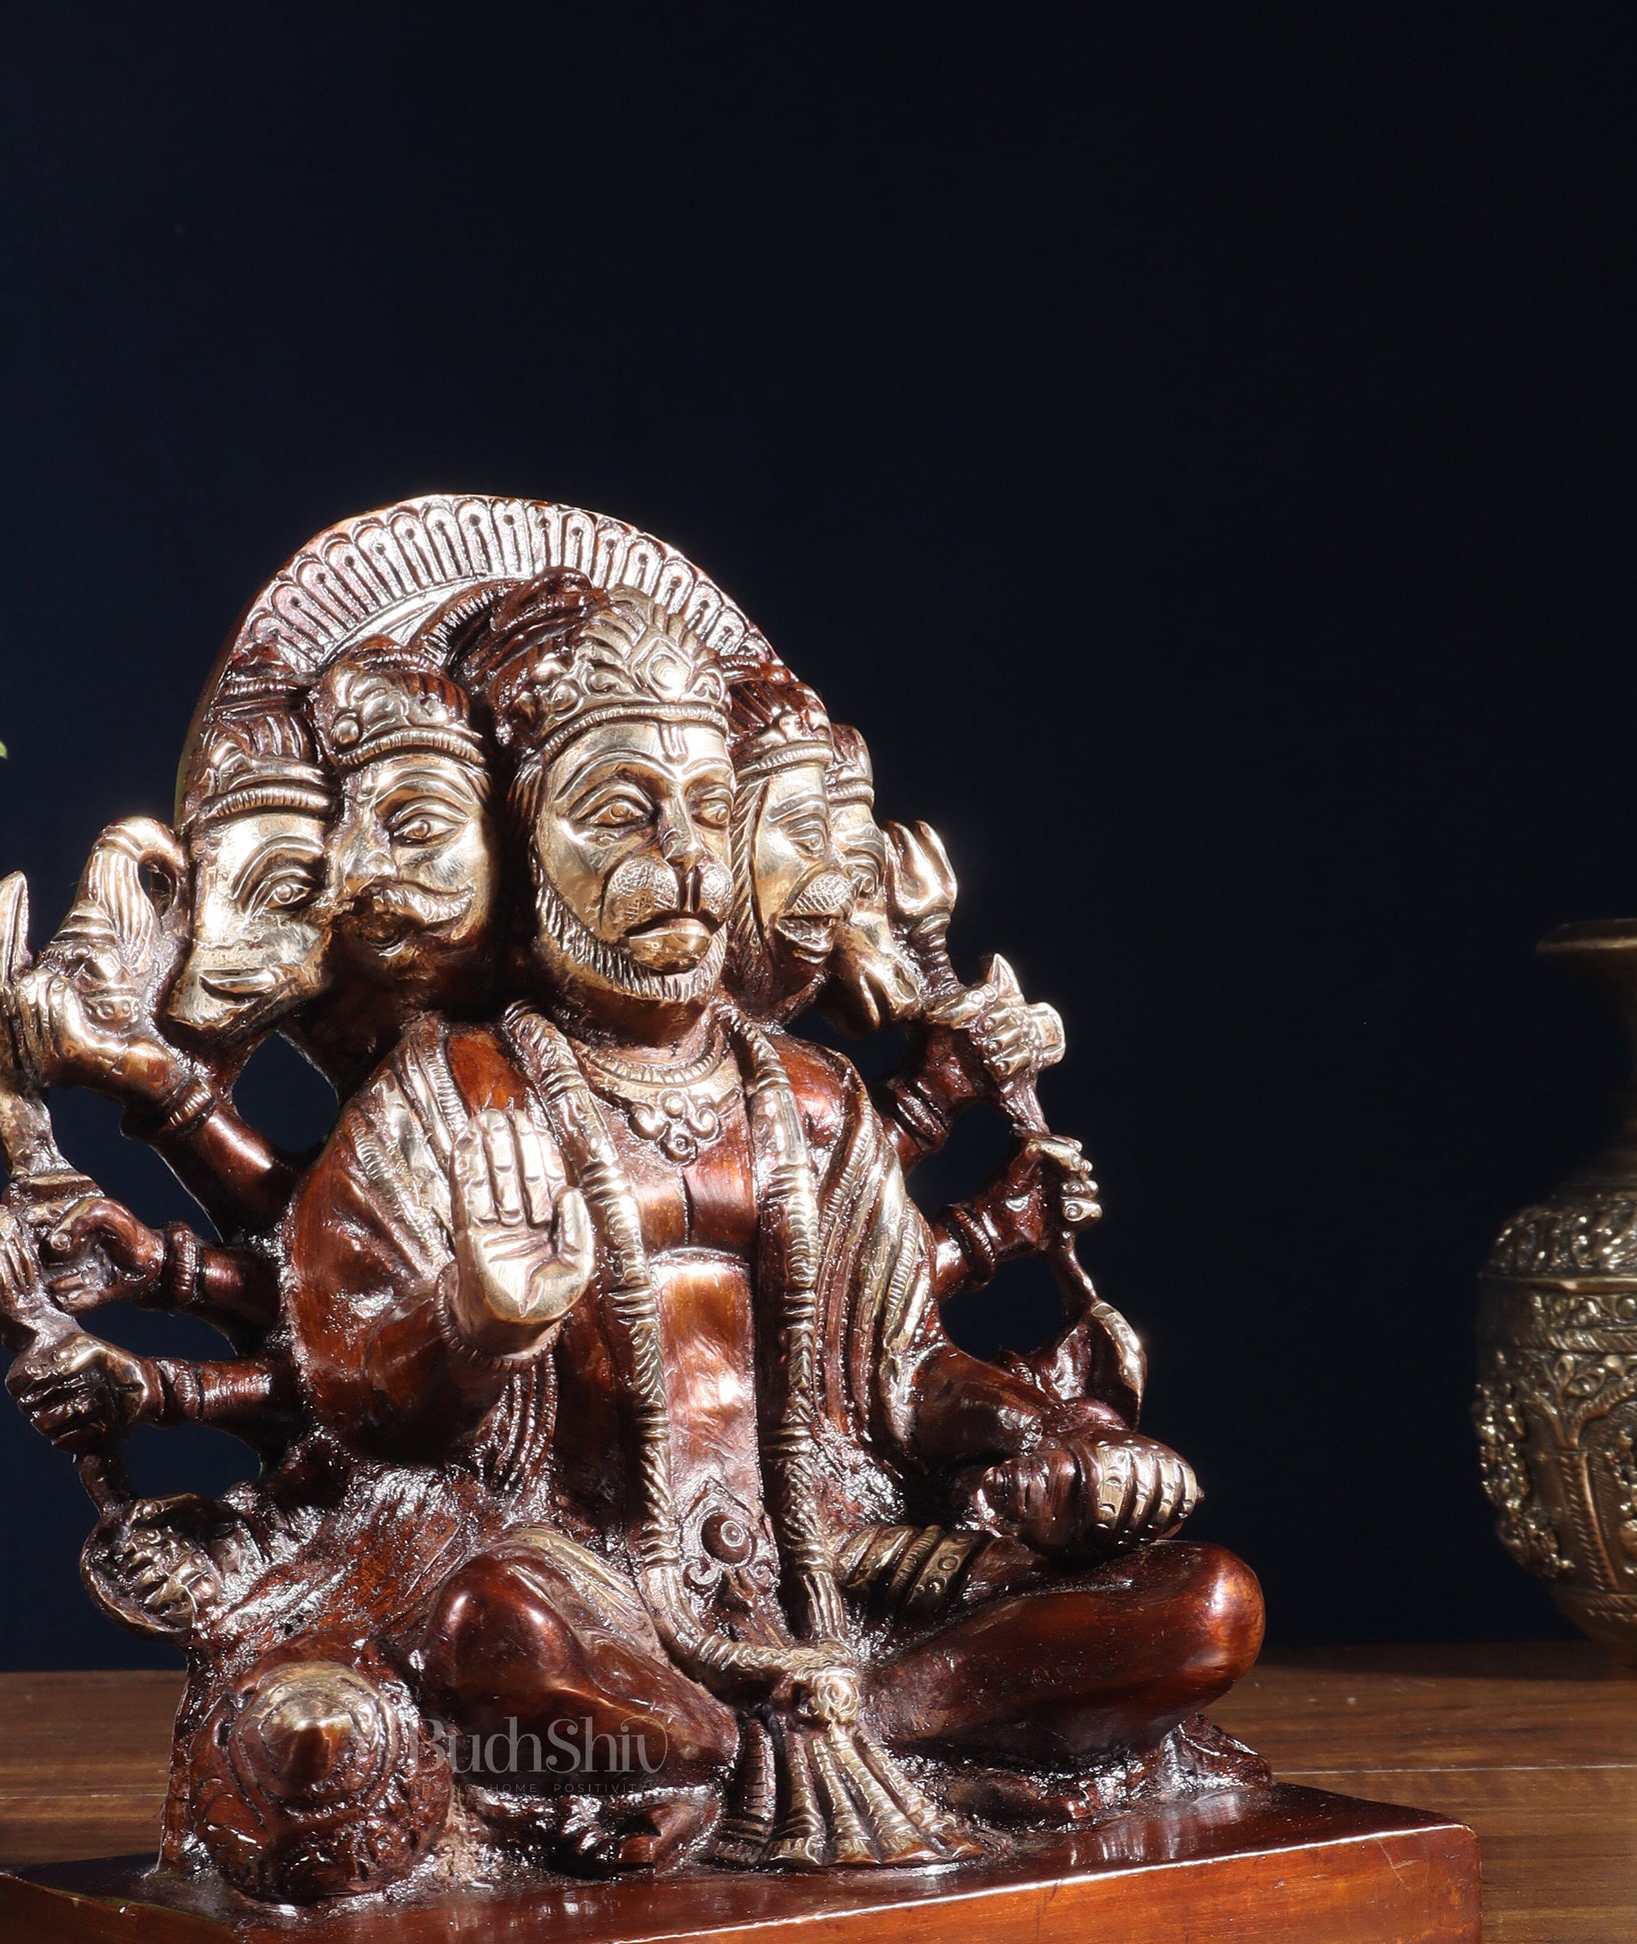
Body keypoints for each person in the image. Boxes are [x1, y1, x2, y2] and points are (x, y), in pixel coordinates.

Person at [270, 571, 1262, 1876]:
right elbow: (352, 1398)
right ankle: (755, 1742)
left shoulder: (812, 1098)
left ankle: (822, 1736)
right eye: (618, 814)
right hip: (590, 1577)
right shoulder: (448, 1098)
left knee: (1203, 1605)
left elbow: (905, 1374)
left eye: (708, 812)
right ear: (519, 845)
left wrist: (1047, 1437)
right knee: (487, 1637)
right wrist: (474, 1326)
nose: (681, 858)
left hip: (841, 1568)